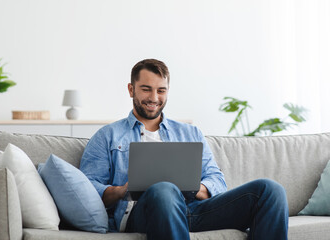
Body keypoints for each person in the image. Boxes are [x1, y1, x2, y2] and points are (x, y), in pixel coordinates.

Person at [80, 59, 289, 240]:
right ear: (131, 89)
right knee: (163, 189)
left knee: (269, 191)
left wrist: (192, 186)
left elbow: (217, 180)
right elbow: (87, 190)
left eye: (161, 90)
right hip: (143, 213)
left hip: (194, 210)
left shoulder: (190, 133)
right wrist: (123, 189)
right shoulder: (107, 136)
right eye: (146, 89)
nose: (154, 97)